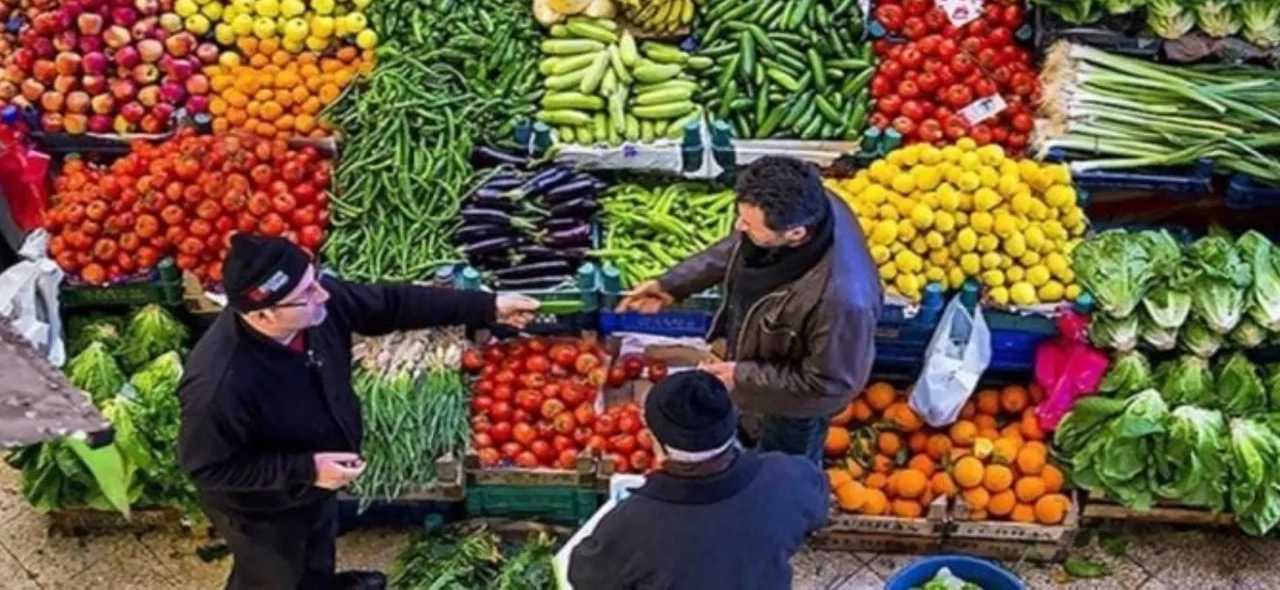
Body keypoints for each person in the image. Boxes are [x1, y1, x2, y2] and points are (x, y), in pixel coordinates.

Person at [177, 234, 539, 590]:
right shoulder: (220, 384)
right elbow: (207, 468)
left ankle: (324, 582)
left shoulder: (314, 309)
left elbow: (389, 304)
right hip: (263, 508)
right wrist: (307, 469)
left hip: (316, 479)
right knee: (277, 573)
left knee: (317, 545)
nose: (323, 294)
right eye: (306, 294)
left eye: (315, 279)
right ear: (264, 314)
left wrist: (487, 306)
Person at [620, 155, 881, 464]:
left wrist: (742, 376)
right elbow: (741, 245)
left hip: (793, 407)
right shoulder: (808, 203)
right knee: (750, 431)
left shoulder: (843, 302)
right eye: (740, 216)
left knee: (782, 464)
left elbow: (830, 385)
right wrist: (673, 284)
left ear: (796, 234)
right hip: (763, 360)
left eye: (748, 223)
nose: (737, 226)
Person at [567, 370, 829, 590]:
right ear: (731, 422)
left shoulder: (631, 525)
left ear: (656, 441)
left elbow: (584, 576)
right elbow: (816, 511)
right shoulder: (791, 477)